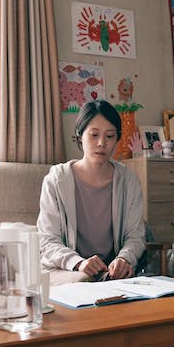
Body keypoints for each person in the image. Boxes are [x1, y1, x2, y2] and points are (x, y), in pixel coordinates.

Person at [38, 100, 145, 284]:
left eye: (110, 136)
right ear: (80, 136)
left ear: (117, 139)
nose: (102, 143)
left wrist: (124, 258)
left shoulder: (128, 181)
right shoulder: (56, 179)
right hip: (65, 269)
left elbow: (135, 235)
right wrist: (78, 262)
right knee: (83, 279)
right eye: (94, 135)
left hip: (109, 272)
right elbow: (47, 240)